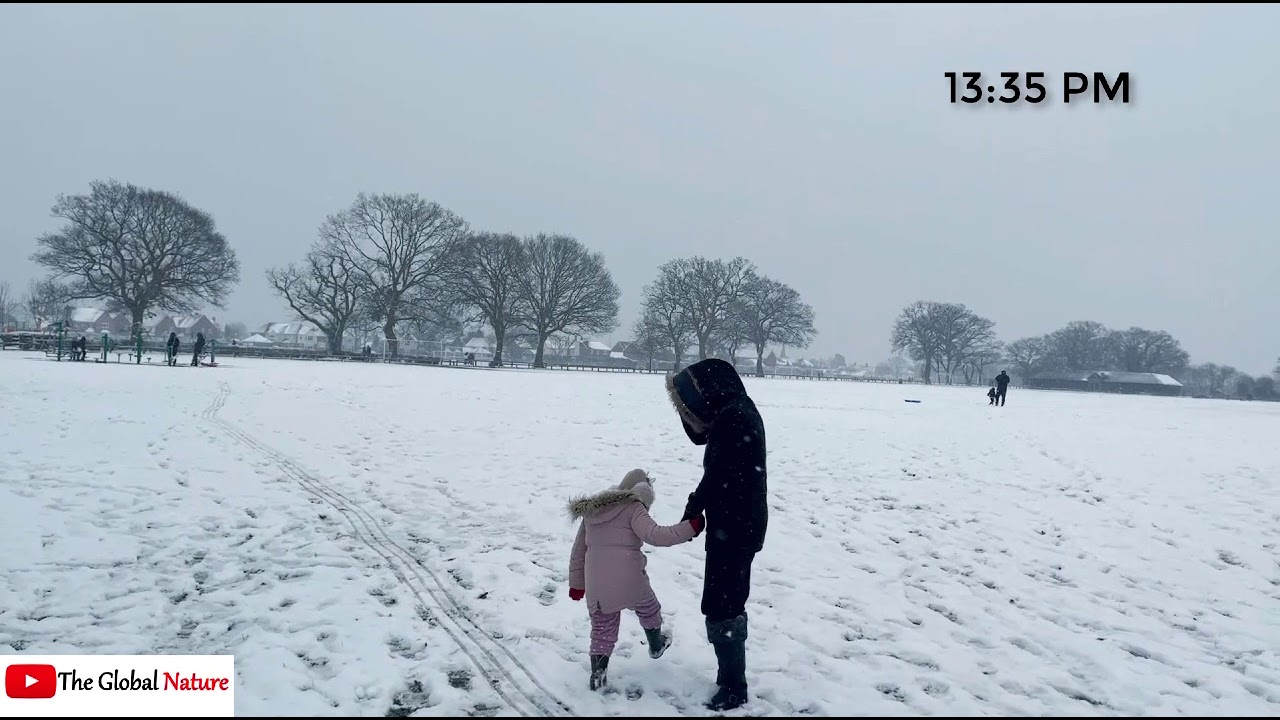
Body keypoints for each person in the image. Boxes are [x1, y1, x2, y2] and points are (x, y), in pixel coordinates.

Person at [666, 358, 768, 711]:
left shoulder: (733, 417)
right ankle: (730, 677)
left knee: (722, 603)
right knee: (728, 599)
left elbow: (718, 473)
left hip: (735, 526)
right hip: (740, 523)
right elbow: (720, 465)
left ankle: (734, 686)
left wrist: (694, 507)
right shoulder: (739, 410)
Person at [567, 469, 703, 692]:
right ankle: (656, 645)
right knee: (649, 608)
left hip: (598, 584)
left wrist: (576, 584)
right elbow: (657, 535)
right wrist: (691, 527)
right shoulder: (633, 507)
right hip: (631, 581)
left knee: (602, 628)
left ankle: (598, 676)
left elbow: (578, 551)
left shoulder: (592, 511)